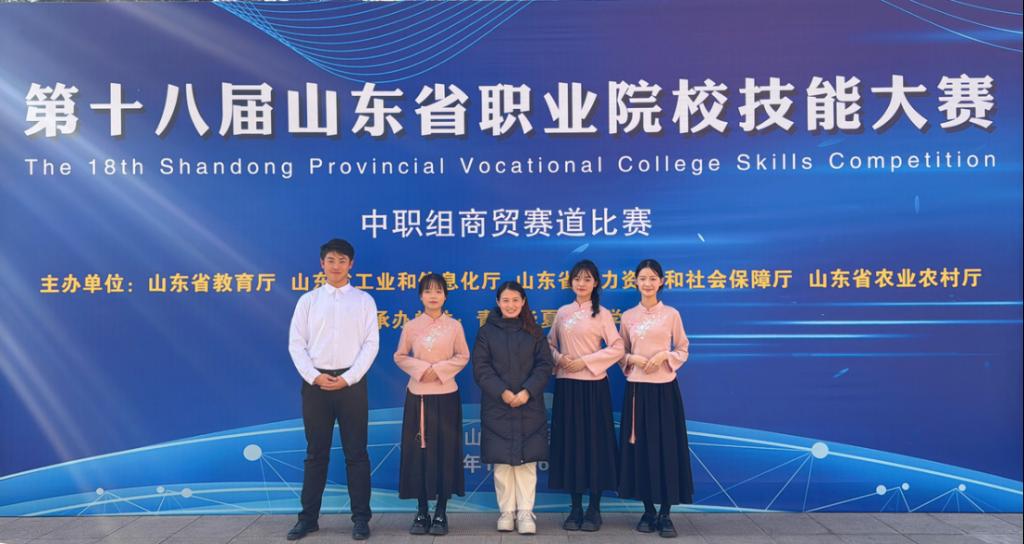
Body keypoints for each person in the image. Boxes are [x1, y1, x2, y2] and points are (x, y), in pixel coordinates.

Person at [287, 239, 379, 541]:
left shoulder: (363, 300)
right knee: (316, 454)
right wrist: (315, 377)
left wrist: (349, 378)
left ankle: (361, 519)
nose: (336, 265)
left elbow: (371, 344)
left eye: (342, 260)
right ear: (322, 264)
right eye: (330, 260)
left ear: (351, 264)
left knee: (357, 454)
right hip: (316, 386)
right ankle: (308, 519)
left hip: (352, 385)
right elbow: (296, 344)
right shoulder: (308, 301)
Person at [617, 259, 694, 538]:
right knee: (641, 450)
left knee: (666, 449)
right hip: (637, 390)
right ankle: (648, 510)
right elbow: (620, 353)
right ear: (635, 282)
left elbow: (683, 348)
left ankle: (666, 514)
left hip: (665, 390)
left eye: (652, 278)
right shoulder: (628, 317)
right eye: (642, 278)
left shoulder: (671, 314)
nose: (647, 283)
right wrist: (633, 359)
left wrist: (664, 356)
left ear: (661, 281)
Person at [547, 259, 624, 531]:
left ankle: (594, 508)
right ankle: (575, 507)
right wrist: (561, 358)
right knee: (571, 446)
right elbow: (549, 344)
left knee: (595, 446)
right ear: (571, 282)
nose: (581, 283)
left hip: (593, 387)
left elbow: (617, 348)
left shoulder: (602, 314)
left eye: (587, 279)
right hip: (567, 386)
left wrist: (586, 361)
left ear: (596, 283)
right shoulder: (563, 312)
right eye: (577, 278)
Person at [472, 281, 554, 535]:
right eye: (506, 300)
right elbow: (481, 368)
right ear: (498, 302)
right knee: (503, 464)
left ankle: (526, 512)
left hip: (529, 406)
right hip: (498, 406)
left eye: (515, 300)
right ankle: (506, 512)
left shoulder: (534, 331)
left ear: (523, 302)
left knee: (527, 464)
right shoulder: (486, 332)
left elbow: (544, 365)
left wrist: (527, 391)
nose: (510, 305)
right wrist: (503, 392)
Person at [394, 273, 469, 536]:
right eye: (428, 291)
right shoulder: (411, 326)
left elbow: (463, 356)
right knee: (419, 452)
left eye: (438, 291)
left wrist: (437, 371)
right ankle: (422, 510)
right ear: (420, 296)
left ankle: (441, 511)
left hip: (446, 395)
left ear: (445, 296)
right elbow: (400, 356)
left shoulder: (454, 326)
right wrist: (421, 370)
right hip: (419, 396)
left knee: (445, 452)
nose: (433, 296)